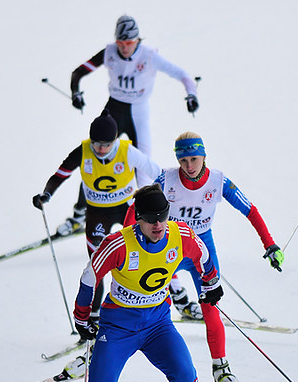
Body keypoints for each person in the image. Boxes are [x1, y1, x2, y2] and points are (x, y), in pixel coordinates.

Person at [42, 184, 224, 382]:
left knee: (186, 378)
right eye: (150, 218)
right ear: (138, 218)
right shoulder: (118, 244)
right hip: (117, 330)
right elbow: (90, 276)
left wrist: (211, 283)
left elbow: (204, 256)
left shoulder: (180, 235)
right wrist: (82, 317)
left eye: (163, 216)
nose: (158, 224)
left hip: (157, 325)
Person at [55, 15, 202, 321]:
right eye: (121, 42)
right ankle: (80, 213)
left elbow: (183, 75)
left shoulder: (149, 56)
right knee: (95, 161)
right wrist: (76, 93)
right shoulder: (109, 52)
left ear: (138, 41)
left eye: (130, 42)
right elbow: (78, 72)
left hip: (138, 114)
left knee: (143, 173)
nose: (124, 47)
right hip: (114, 110)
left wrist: (191, 94)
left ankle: (149, 222)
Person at [125, 132, 286, 382]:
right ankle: (114, 341)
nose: (189, 166)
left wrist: (270, 245)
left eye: (194, 159)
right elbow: (136, 208)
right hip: (172, 246)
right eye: (183, 160)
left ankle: (221, 369)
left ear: (204, 156)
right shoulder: (167, 179)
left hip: (202, 249)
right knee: (145, 297)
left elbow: (250, 210)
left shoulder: (218, 181)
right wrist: (127, 241)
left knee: (211, 307)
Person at [32, 109, 162, 326]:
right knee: (96, 264)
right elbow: (60, 175)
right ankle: (93, 315)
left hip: (127, 209)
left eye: (107, 144)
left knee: (137, 257)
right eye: (97, 143)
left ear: (115, 140)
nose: (101, 149)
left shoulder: (126, 150)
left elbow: (156, 171)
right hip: (97, 212)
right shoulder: (83, 151)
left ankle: (141, 306)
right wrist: (46, 194)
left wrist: (164, 199)